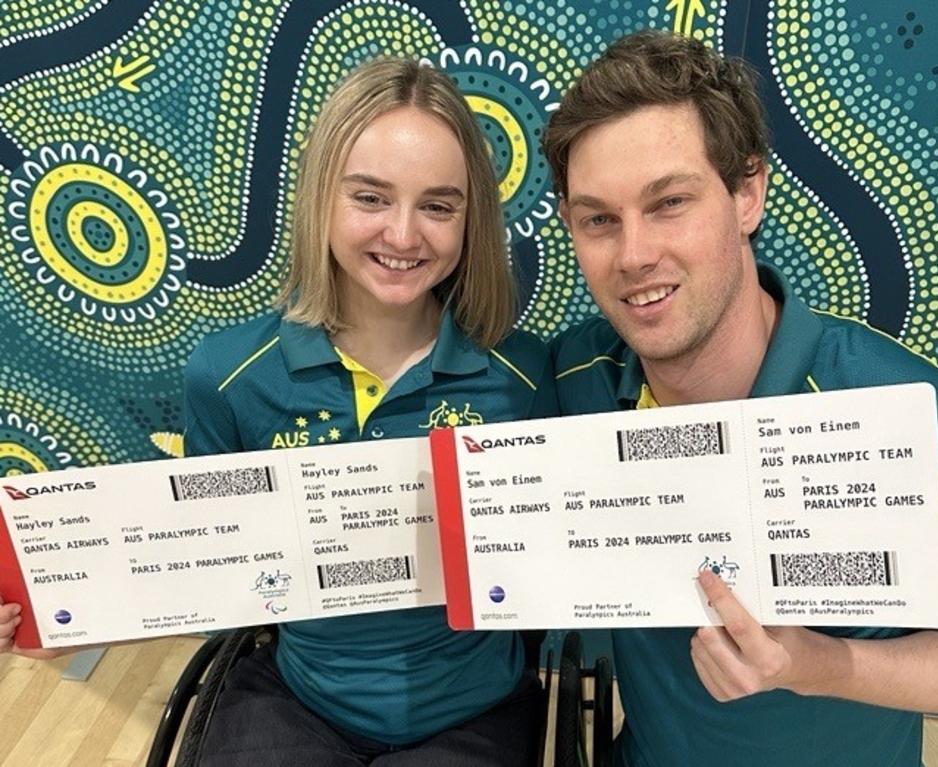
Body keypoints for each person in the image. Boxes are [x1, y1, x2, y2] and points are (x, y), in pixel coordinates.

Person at [1, 58, 556, 766]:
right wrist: (78, 612)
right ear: (321, 197)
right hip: (300, 697)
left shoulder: (525, 376)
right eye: (371, 198)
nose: (404, 234)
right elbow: (208, 560)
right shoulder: (229, 374)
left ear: (470, 218)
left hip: (473, 708)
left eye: (439, 205)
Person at [544, 30, 938, 767]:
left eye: (669, 201)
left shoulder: (927, 419)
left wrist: (821, 664)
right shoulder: (575, 379)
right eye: (599, 218)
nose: (634, 253)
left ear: (747, 194)